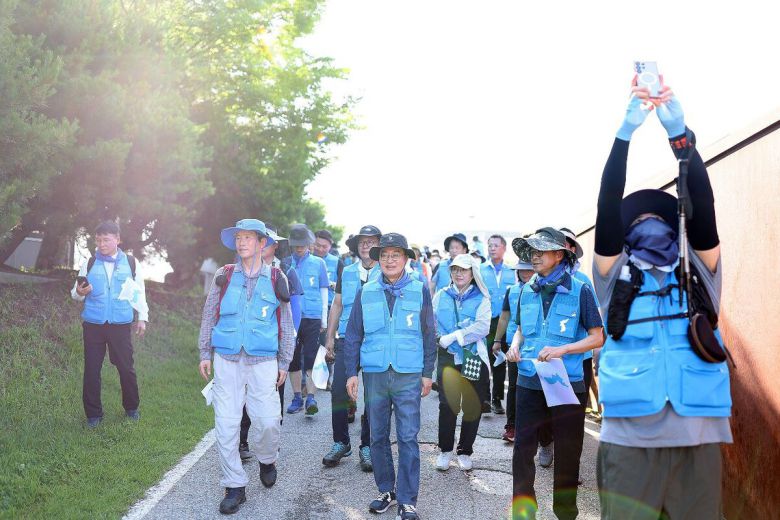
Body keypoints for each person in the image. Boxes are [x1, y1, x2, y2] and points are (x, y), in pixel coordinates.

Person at [593, 82, 732, 519]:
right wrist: (624, 135)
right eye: (638, 220)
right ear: (625, 234)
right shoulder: (612, 279)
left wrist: (680, 136)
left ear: (677, 229)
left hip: (698, 437)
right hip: (628, 441)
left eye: (660, 217)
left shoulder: (699, 276)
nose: (649, 223)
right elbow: (607, 206)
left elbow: (704, 204)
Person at [197, 218, 295, 515]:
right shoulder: (224, 275)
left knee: (268, 420)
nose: (241, 243)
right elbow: (209, 314)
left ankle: (267, 458)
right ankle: (234, 485)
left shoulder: (277, 277)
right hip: (226, 359)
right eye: (238, 238)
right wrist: (204, 352)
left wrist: (284, 361)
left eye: (248, 237)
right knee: (226, 424)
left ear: (262, 243)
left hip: (263, 361)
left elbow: (286, 323)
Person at [506, 227, 604, 520]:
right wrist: (514, 345)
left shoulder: (581, 290)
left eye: (541, 251)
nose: (534, 257)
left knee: (568, 451)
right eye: (532, 252)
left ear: (559, 255)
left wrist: (564, 349)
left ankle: (565, 512)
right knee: (523, 448)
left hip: (566, 381)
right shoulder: (526, 289)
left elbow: (597, 337)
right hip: (529, 379)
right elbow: (521, 329)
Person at [344, 233, 436, 520]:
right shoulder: (366, 291)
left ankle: (408, 500)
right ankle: (387, 490)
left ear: (406, 258)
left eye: (395, 255)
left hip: (409, 372)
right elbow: (353, 333)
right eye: (384, 255)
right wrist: (351, 372)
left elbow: (428, 333)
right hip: (375, 372)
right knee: (378, 435)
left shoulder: (419, 289)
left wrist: (427, 373)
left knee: (408, 436)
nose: (389, 260)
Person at [71, 220, 148, 428]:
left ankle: (131, 409)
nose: (101, 244)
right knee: (91, 370)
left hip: (120, 325)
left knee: (126, 368)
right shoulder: (89, 262)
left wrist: (142, 317)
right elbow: (75, 294)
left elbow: (139, 292)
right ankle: (93, 415)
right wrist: (79, 292)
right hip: (93, 325)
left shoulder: (131, 263)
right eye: (98, 240)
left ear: (118, 239)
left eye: (106, 240)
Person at [238, 226, 303, 462]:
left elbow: (294, 308)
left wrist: (289, 339)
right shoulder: (238, 270)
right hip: (246, 345)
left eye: (268, 242)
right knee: (244, 393)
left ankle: (272, 443)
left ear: (274, 245)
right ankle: (242, 440)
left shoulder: (286, 271)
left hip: (273, 345)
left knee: (275, 393)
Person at [322, 225, 382, 471]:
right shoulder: (346, 271)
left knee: (372, 395)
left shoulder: (386, 271)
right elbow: (337, 304)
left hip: (375, 340)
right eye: (362, 242)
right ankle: (341, 442)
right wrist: (329, 338)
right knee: (339, 391)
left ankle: (367, 445)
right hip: (347, 338)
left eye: (371, 241)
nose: (366, 246)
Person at [433, 254, 491, 472]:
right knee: (447, 405)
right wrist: (439, 337)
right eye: (455, 269)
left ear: (472, 273)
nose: (459, 274)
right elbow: (431, 321)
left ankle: (465, 451)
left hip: (472, 357)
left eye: (464, 270)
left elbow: (483, 327)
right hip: (447, 357)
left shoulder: (482, 297)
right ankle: (445, 450)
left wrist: (455, 336)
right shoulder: (441, 295)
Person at [285, 223, 329, 415]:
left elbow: (324, 291)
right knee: (293, 359)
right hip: (291, 318)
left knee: (312, 357)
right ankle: (297, 397)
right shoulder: (285, 263)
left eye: (302, 244)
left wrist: (324, 319)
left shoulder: (319, 263)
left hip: (313, 317)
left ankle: (311, 398)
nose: (299, 247)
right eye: (296, 244)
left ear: (309, 243)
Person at [560, 227, 602, 418]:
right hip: (550, 355)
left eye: (564, 243)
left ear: (572, 249)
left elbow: (594, 318)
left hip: (580, 356)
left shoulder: (583, 280)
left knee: (576, 411)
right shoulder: (540, 280)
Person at [492, 260, 535, 443]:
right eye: (521, 270)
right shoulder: (512, 291)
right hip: (514, 346)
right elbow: (504, 317)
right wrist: (497, 340)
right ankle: (511, 426)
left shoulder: (542, 289)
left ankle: (534, 430)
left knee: (535, 388)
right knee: (514, 386)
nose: (525, 274)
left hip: (535, 345)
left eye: (529, 270)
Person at [480, 234, 516, 415]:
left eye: (496, 245)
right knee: (484, 358)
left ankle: (497, 399)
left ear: (504, 248)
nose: (492, 248)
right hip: (486, 320)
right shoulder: (480, 269)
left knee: (500, 360)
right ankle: (485, 398)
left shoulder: (512, 271)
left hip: (504, 320)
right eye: (490, 245)